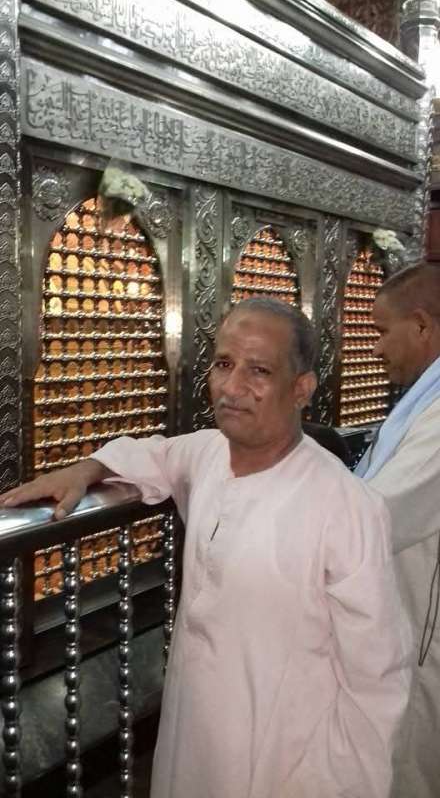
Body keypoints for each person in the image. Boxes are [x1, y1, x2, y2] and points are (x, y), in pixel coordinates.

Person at [1, 297, 410, 798]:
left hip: (285, 760)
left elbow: (376, 680)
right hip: (192, 735)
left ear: (301, 389)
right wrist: (88, 469)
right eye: (223, 364)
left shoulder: (347, 508)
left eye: (259, 371)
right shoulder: (208, 454)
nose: (232, 388)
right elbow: (154, 455)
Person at [355, 263, 440, 798]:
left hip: (425, 633)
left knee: (413, 766)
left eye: (383, 332)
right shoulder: (424, 401)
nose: (377, 348)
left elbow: (378, 516)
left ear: (422, 325)